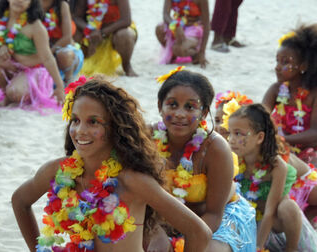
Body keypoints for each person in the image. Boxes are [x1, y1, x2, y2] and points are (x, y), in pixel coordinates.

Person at [11, 76, 212, 252]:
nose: (80, 130)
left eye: (93, 122)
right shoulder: (58, 170)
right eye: (75, 120)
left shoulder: (131, 179)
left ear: (115, 128)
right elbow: (20, 200)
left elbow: (199, 232)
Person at [146, 68, 257, 252]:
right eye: (172, 105)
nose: (180, 113)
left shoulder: (216, 149)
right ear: (160, 106)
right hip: (160, 220)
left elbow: (213, 214)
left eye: (190, 107)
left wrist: (188, 241)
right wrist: (155, 229)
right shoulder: (148, 138)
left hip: (214, 220)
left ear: (204, 112)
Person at [214, 95, 317, 225]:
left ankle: (307, 216)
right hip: (268, 194)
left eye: (224, 120)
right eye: (217, 120)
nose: (219, 126)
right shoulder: (227, 146)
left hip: (299, 184)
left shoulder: (264, 148)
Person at [262, 24, 317, 190]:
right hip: (282, 147)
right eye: (277, 61)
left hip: (313, 149)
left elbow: (316, 133)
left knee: (316, 167)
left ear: (304, 66)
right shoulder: (276, 89)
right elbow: (260, 118)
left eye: (285, 62)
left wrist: (282, 140)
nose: (278, 67)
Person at [227, 104, 302, 252]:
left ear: (260, 137)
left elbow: (270, 211)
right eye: (230, 133)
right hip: (246, 219)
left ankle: (291, 249)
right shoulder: (232, 159)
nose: (231, 140)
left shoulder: (276, 166)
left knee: (288, 206)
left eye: (238, 134)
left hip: (273, 223)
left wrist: (258, 247)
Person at [0, 0, 65, 110]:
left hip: (32, 70)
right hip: (10, 65)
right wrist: (2, 47)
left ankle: (13, 93)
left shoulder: (35, 26)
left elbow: (47, 58)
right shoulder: (0, 19)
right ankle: (6, 94)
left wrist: (60, 87)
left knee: (15, 92)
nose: (19, 0)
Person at [73, 0, 138, 76]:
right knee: (74, 32)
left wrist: (102, 33)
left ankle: (126, 65)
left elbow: (126, 20)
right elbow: (76, 17)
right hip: (92, 31)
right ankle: (78, 62)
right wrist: (91, 30)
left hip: (115, 30)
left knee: (125, 35)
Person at [40, 0, 84, 84]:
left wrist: (48, 54)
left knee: (64, 55)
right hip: (40, 49)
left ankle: (68, 82)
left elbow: (67, 38)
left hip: (62, 49)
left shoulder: (62, 5)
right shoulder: (31, 4)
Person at [156, 0, 209, 68]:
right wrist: (175, 25)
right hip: (177, 26)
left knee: (179, 49)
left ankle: (195, 55)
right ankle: (173, 54)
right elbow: (165, 15)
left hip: (194, 29)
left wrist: (202, 52)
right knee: (159, 29)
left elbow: (207, 25)